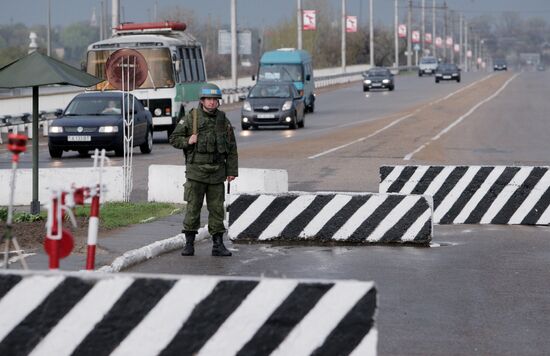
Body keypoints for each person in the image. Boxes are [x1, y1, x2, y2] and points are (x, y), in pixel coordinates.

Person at [169, 83, 238, 257]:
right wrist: (188, 141)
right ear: (202, 100)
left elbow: (231, 148)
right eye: (209, 99)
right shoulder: (191, 118)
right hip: (196, 173)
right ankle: (189, 243)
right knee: (193, 208)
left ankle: (218, 245)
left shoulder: (223, 120)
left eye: (215, 99)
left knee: (216, 210)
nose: (212, 103)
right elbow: (174, 138)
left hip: (217, 173)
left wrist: (232, 171)